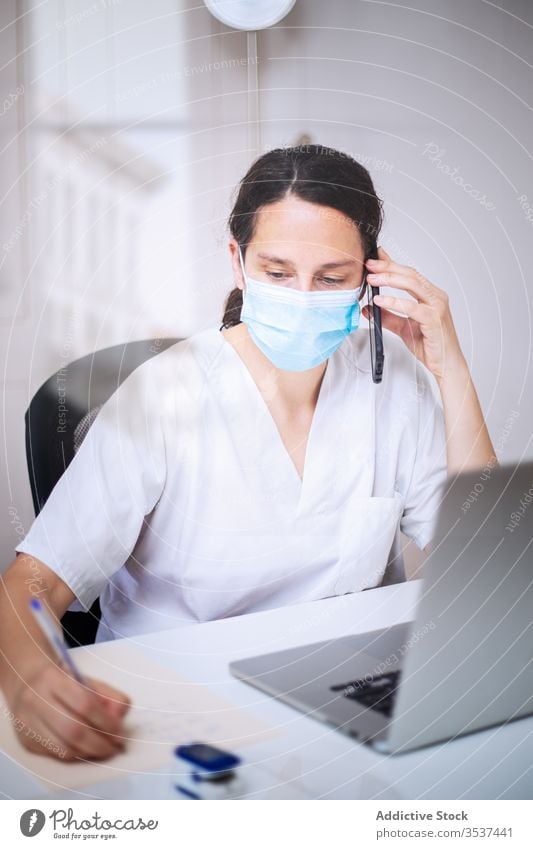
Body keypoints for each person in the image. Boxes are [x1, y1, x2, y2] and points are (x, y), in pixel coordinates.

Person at [0, 144, 497, 762]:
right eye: (278, 271)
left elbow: (488, 568)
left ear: (371, 276)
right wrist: (28, 687)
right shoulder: (165, 392)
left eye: (332, 278)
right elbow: (31, 584)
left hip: (340, 698)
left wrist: (450, 368)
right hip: (178, 709)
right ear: (238, 262)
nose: (302, 293)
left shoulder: (391, 376)